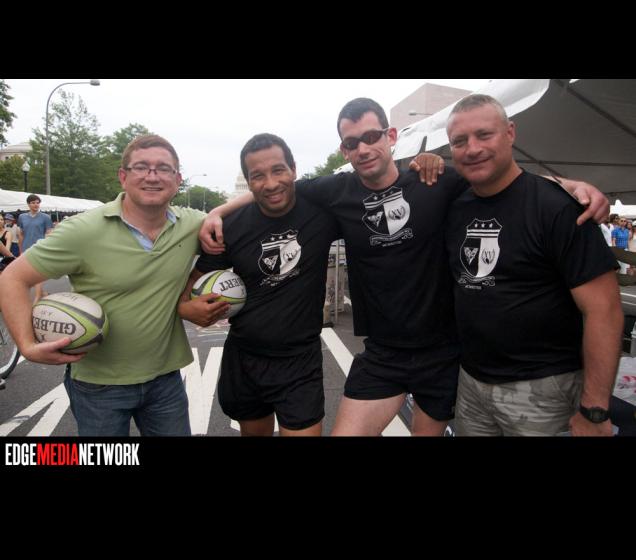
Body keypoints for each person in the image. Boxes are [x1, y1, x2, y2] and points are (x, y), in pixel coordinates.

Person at [200, 98, 610, 436]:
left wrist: (568, 185)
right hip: (382, 353)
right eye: (352, 142)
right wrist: (218, 210)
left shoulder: (436, 181)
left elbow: (504, 179)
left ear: (390, 136)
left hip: (443, 352)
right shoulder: (336, 190)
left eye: (372, 137)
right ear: (344, 150)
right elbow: (277, 186)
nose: (363, 149)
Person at [0, 134, 228, 436]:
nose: (152, 176)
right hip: (97, 386)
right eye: (141, 167)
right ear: (123, 176)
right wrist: (27, 346)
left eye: (163, 168)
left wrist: (218, 212)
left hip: (165, 380)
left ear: (177, 180)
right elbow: (12, 278)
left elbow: (252, 203)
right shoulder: (83, 230)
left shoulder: (191, 225)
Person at [442, 93, 622, 436]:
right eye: (459, 141)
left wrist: (595, 409)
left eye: (484, 135)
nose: (472, 148)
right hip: (471, 383)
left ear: (510, 133)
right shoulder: (455, 206)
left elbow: (605, 310)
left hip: (544, 390)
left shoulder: (558, 207)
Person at [178, 133, 339, 436]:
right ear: (249, 183)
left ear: (293, 169)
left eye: (278, 170)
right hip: (244, 358)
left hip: (299, 361)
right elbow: (191, 285)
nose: (271, 183)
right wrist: (187, 310)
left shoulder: (322, 213)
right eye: (258, 175)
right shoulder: (230, 227)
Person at [17, 195, 53, 303]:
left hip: (39, 249)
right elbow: (21, 234)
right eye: (33, 203)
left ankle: (37, 298)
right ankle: (42, 293)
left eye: (37, 202)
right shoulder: (22, 217)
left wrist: (47, 249)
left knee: (37, 273)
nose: (36, 205)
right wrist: (20, 250)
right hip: (26, 249)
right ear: (28, 204)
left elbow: (48, 234)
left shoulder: (45, 217)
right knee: (28, 274)